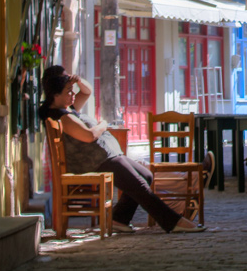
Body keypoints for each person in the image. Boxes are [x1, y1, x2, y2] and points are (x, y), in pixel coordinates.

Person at [39, 65, 215, 234]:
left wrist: (76, 80)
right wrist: (103, 124)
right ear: (55, 95)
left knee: (147, 175)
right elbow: (89, 136)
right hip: (98, 162)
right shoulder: (63, 117)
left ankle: (119, 219)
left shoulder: (66, 108)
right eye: (68, 91)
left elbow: (87, 91)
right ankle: (173, 222)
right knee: (138, 185)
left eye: (72, 89)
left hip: (106, 157)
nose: (72, 94)